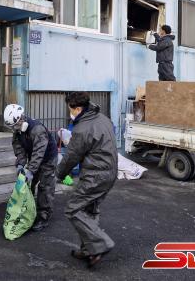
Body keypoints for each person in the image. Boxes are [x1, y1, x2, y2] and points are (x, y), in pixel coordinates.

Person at [56, 92, 118, 268]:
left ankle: (101, 244)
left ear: (78, 109)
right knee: (89, 210)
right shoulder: (103, 118)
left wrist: (59, 174)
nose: (70, 113)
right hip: (109, 171)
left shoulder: (82, 128)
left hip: (95, 175)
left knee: (73, 209)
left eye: (70, 109)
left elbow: (71, 157)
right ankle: (89, 250)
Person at [4, 104, 57, 232]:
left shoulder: (37, 129)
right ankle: (29, 210)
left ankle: (44, 216)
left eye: (15, 126)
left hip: (48, 158)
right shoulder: (17, 131)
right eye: (12, 127)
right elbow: (19, 149)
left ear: (21, 118)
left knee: (45, 187)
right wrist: (20, 164)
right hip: (35, 158)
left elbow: (39, 152)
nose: (14, 129)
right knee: (28, 185)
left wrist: (31, 170)